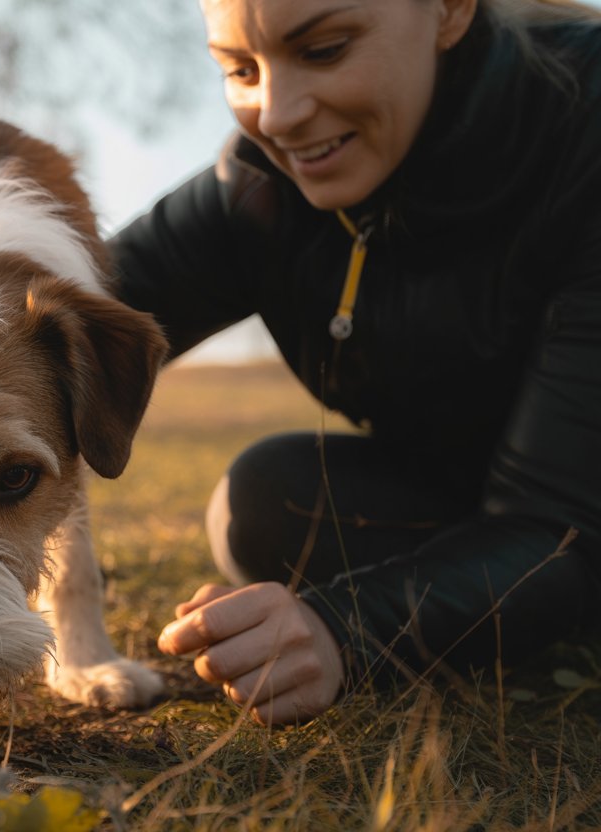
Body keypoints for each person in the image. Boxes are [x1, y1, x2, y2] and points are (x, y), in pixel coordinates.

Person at [109, 0, 601, 725]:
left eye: (325, 49)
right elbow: (69, 320)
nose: (274, 114)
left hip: (572, 515)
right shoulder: (259, 187)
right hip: (493, 505)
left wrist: (345, 629)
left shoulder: (581, 130)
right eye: (241, 69)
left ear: (449, 10)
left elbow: (557, 528)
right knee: (268, 506)